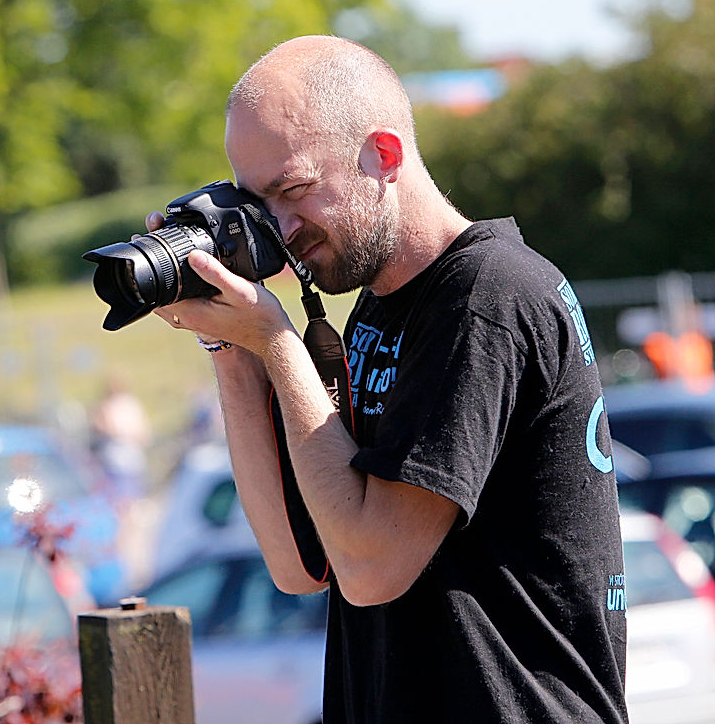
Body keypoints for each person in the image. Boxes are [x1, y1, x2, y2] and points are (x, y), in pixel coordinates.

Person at [152, 36, 627, 723]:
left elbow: (374, 568)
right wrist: (227, 339)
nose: (281, 229)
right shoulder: (383, 305)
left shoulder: (488, 298)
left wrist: (277, 341)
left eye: (294, 189)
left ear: (384, 155)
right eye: (257, 203)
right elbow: (301, 565)